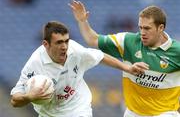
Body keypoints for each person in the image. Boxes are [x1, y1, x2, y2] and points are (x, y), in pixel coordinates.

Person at [10, 21, 149, 117]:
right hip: (49, 114)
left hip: (78, 108)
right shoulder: (35, 64)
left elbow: (100, 56)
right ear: (46, 44)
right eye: (59, 42)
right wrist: (29, 96)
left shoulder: (75, 50)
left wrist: (127, 67)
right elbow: (15, 100)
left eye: (66, 41)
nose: (64, 46)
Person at [69, 0, 180, 117]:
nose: (142, 32)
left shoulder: (176, 51)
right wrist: (82, 21)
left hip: (165, 113)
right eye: (140, 27)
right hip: (133, 113)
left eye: (147, 28)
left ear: (161, 28)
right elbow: (93, 40)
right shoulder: (128, 41)